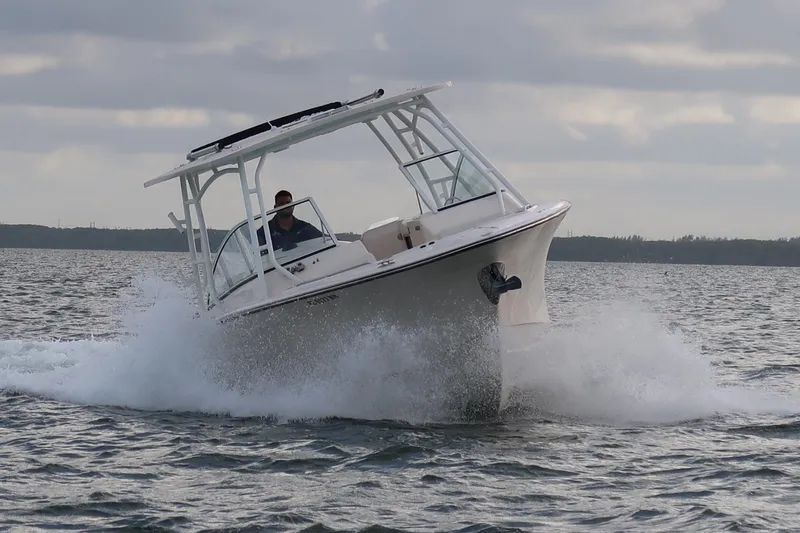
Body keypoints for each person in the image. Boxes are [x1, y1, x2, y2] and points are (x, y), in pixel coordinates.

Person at [256, 190, 323, 251]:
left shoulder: (305, 227)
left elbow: (325, 240)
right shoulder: (264, 233)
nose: (285, 207)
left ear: (293, 206)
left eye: (288, 203)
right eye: (281, 204)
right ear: (275, 208)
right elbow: (256, 257)